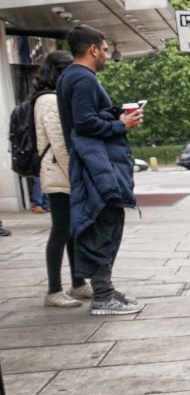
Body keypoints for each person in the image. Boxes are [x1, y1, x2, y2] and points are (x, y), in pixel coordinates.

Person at [57, 24, 143, 315]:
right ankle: (103, 295)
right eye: (105, 49)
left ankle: (104, 289)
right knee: (104, 222)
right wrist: (122, 124)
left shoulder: (69, 77)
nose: (106, 55)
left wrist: (115, 117)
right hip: (95, 163)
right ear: (93, 49)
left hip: (90, 160)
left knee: (103, 221)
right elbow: (84, 123)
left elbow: (85, 119)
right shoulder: (83, 78)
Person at [32, 51, 92, 307]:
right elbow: (60, 144)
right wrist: (76, 176)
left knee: (70, 231)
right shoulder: (49, 101)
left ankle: (77, 283)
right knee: (61, 230)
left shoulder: (53, 98)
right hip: (60, 173)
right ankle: (54, 290)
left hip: (60, 172)